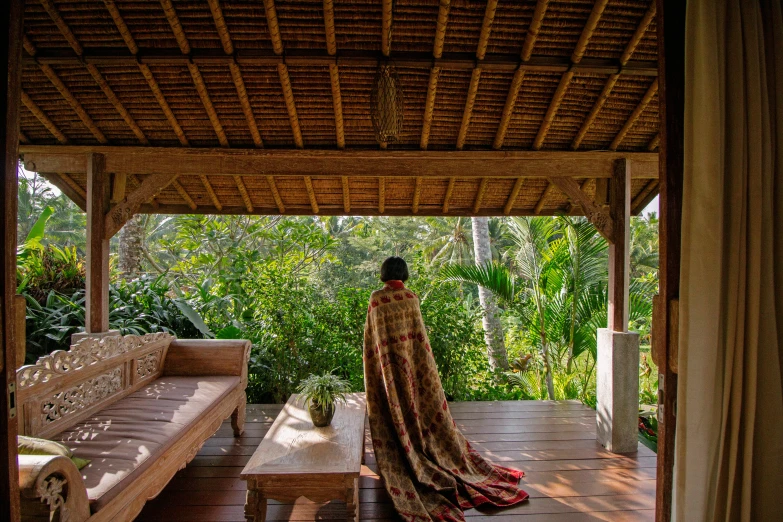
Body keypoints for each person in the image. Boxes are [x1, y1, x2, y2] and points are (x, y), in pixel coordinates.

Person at [363, 256, 528, 522]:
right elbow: (418, 342)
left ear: (384, 274)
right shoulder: (411, 298)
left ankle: (401, 443)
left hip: (389, 371)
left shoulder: (376, 299)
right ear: (403, 274)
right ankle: (419, 445)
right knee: (417, 409)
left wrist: (377, 371)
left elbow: (372, 341)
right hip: (414, 371)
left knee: (394, 409)